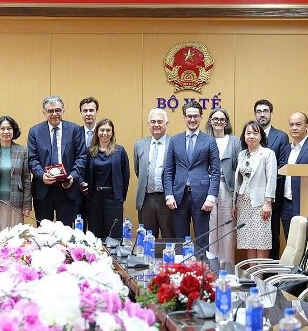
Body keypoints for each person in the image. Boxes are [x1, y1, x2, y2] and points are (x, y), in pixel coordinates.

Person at [162, 101, 220, 249]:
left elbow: (216, 171)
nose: (192, 119)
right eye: (189, 116)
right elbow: (168, 170)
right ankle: (182, 265)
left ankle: (201, 264)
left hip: (202, 198)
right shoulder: (175, 140)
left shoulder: (209, 141)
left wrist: (211, 197)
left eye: (195, 116)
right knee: (180, 241)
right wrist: (169, 195)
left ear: (200, 117)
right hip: (179, 197)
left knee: (202, 241)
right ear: (184, 118)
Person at [27, 95, 87, 227]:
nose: (54, 114)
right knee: (43, 232)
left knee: (65, 232)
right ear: (44, 113)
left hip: (67, 188)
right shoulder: (35, 132)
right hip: (43, 189)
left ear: (63, 111)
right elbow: (32, 159)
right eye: (50, 111)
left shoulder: (75, 130)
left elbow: (81, 157)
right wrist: (41, 175)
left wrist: (73, 176)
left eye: (58, 110)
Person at [233, 120, 278, 260]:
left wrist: (268, 203)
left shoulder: (267, 153)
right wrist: (234, 203)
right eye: (248, 133)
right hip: (243, 202)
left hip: (260, 203)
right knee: (249, 240)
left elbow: (271, 179)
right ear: (244, 136)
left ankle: (260, 274)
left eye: (255, 133)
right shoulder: (241, 154)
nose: (251, 136)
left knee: (262, 240)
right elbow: (238, 180)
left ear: (261, 136)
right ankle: (252, 273)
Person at [81, 119, 129, 239]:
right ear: (97, 132)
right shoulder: (89, 151)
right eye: (102, 130)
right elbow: (84, 173)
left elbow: (125, 176)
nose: (105, 133)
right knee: (95, 234)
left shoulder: (120, 151)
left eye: (108, 130)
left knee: (114, 235)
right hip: (94, 199)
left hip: (113, 199)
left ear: (112, 132)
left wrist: (120, 197)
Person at [204, 108, 241, 264]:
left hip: (228, 188)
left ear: (226, 123)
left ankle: (228, 268)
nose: (218, 122)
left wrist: (236, 197)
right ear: (210, 121)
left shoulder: (234, 141)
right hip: (208, 190)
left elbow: (239, 168)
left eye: (222, 119)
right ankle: (212, 269)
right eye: (215, 119)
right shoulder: (204, 140)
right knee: (211, 229)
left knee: (228, 230)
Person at [253, 99, 289, 259]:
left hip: (273, 195)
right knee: (254, 235)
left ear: (271, 114)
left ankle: (271, 271)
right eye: (259, 111)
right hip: (252, 196)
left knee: (272, 235)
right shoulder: (250, 135)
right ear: (255, 114)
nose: (262, 114)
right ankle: (256, 269)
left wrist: (266, 187)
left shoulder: (281, 137)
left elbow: (282, 166)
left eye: (265, 111)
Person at [134, 108, 174, 239]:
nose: (156, 124)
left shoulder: (174, 143)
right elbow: (138, 169)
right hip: (146, 199)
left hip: (167, 198)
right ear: (148, 124)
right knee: (148, 239)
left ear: (166, 123)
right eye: (153, 121)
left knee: (169, 237)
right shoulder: (140, 144)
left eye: (160, 121)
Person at [78, 96, 99, 230]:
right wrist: (80, 182)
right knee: (79, 227)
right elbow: (71, 160)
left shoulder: (104, 133)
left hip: (98, 188)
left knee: (96, 228)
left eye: (91, 110)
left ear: (96, 112)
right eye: (85, 111)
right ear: (81, 113)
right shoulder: (75, 133)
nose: (88, 114)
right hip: (78, 188)